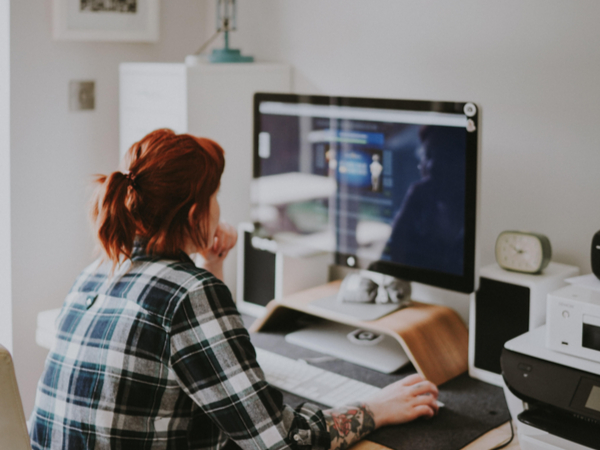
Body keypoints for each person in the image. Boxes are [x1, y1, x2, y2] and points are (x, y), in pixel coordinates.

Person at [29, 129, 439, 450]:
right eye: (215, 197)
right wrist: (377, 409)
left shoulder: (99, 269)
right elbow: (280, 441)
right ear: (196, 213)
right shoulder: (189, 294)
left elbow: (203, 360)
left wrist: (212, 264)